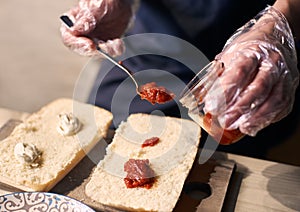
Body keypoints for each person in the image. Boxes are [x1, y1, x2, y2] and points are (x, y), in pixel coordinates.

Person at [60, 0, 300, 162]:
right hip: (155, 41)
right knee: (98, 141)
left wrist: (281, 21)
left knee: (229, 162)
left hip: (260, 44)